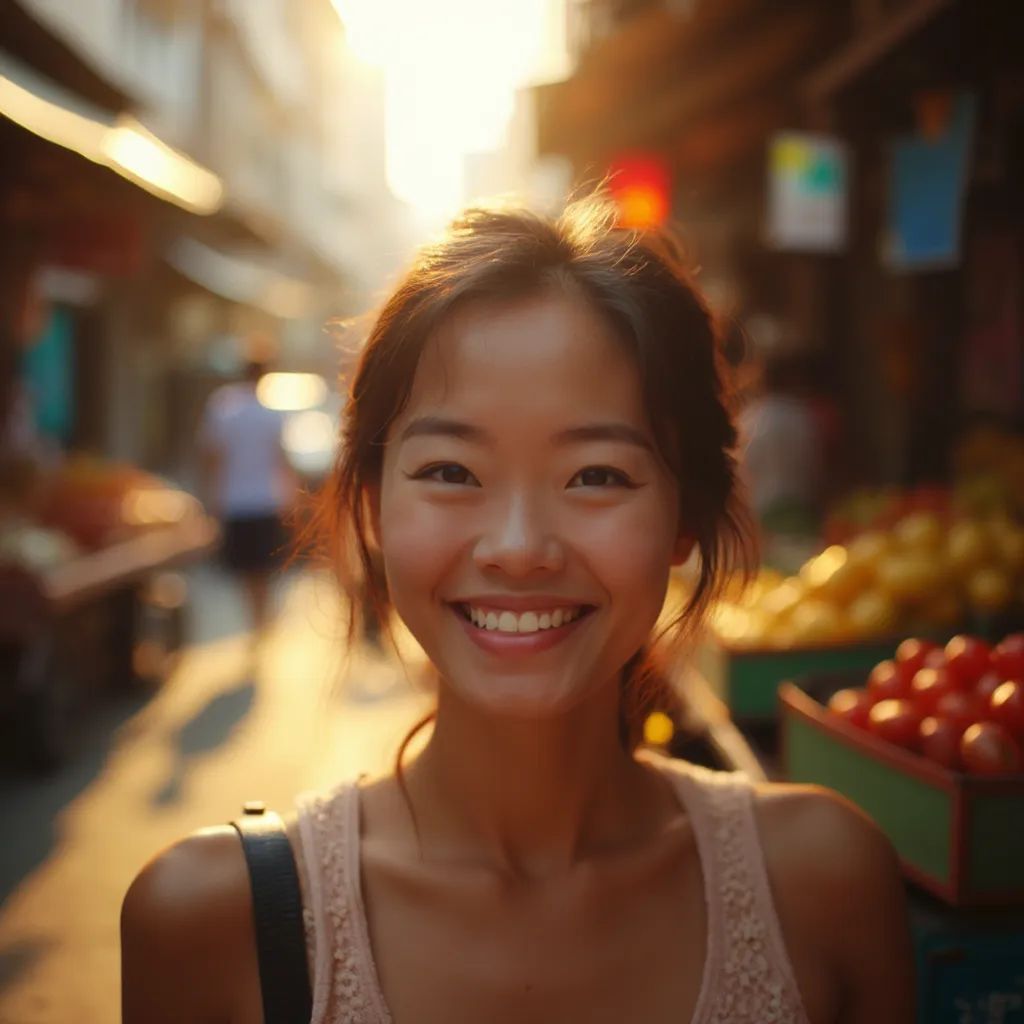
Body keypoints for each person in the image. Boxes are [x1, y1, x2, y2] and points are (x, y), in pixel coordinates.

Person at [122, 195, 914, 1023]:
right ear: (368, 508)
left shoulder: (823, 887)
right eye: (453, 472)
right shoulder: (213, 926)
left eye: (597, 475)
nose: (518, 546)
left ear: (686, 517)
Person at [197, 349, 297, 639]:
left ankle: (257, 624)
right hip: (266, 500)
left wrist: (211, 500)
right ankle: (262, 623)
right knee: (263, 569)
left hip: (235, 501)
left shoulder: (224, 407)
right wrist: (292, 498)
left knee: (245, 570)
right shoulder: (271, 414)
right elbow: (281, 459)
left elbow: (212, 458)